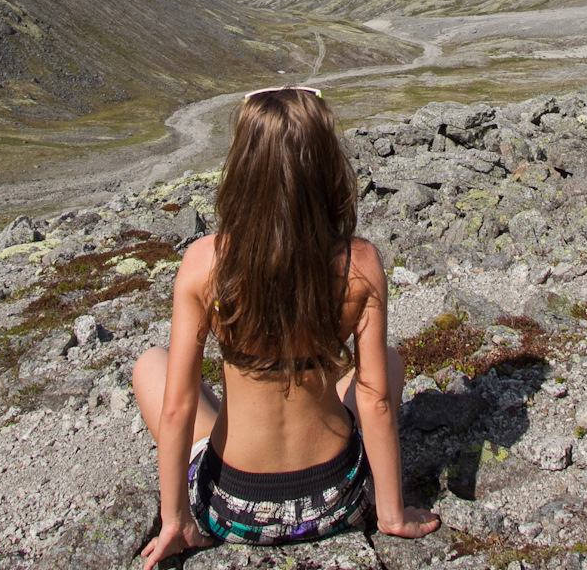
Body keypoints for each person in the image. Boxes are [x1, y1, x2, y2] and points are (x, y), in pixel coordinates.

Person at [132, 86, 440, 567]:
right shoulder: (359, 264)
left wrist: (177, 521)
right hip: (336, 501)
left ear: (243, 165)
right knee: (385, 365)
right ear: (323, 165)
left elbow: (177, 408)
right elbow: (377, 402)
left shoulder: (203, 264)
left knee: (153, 365)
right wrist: (392, 513)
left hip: (230, 508)